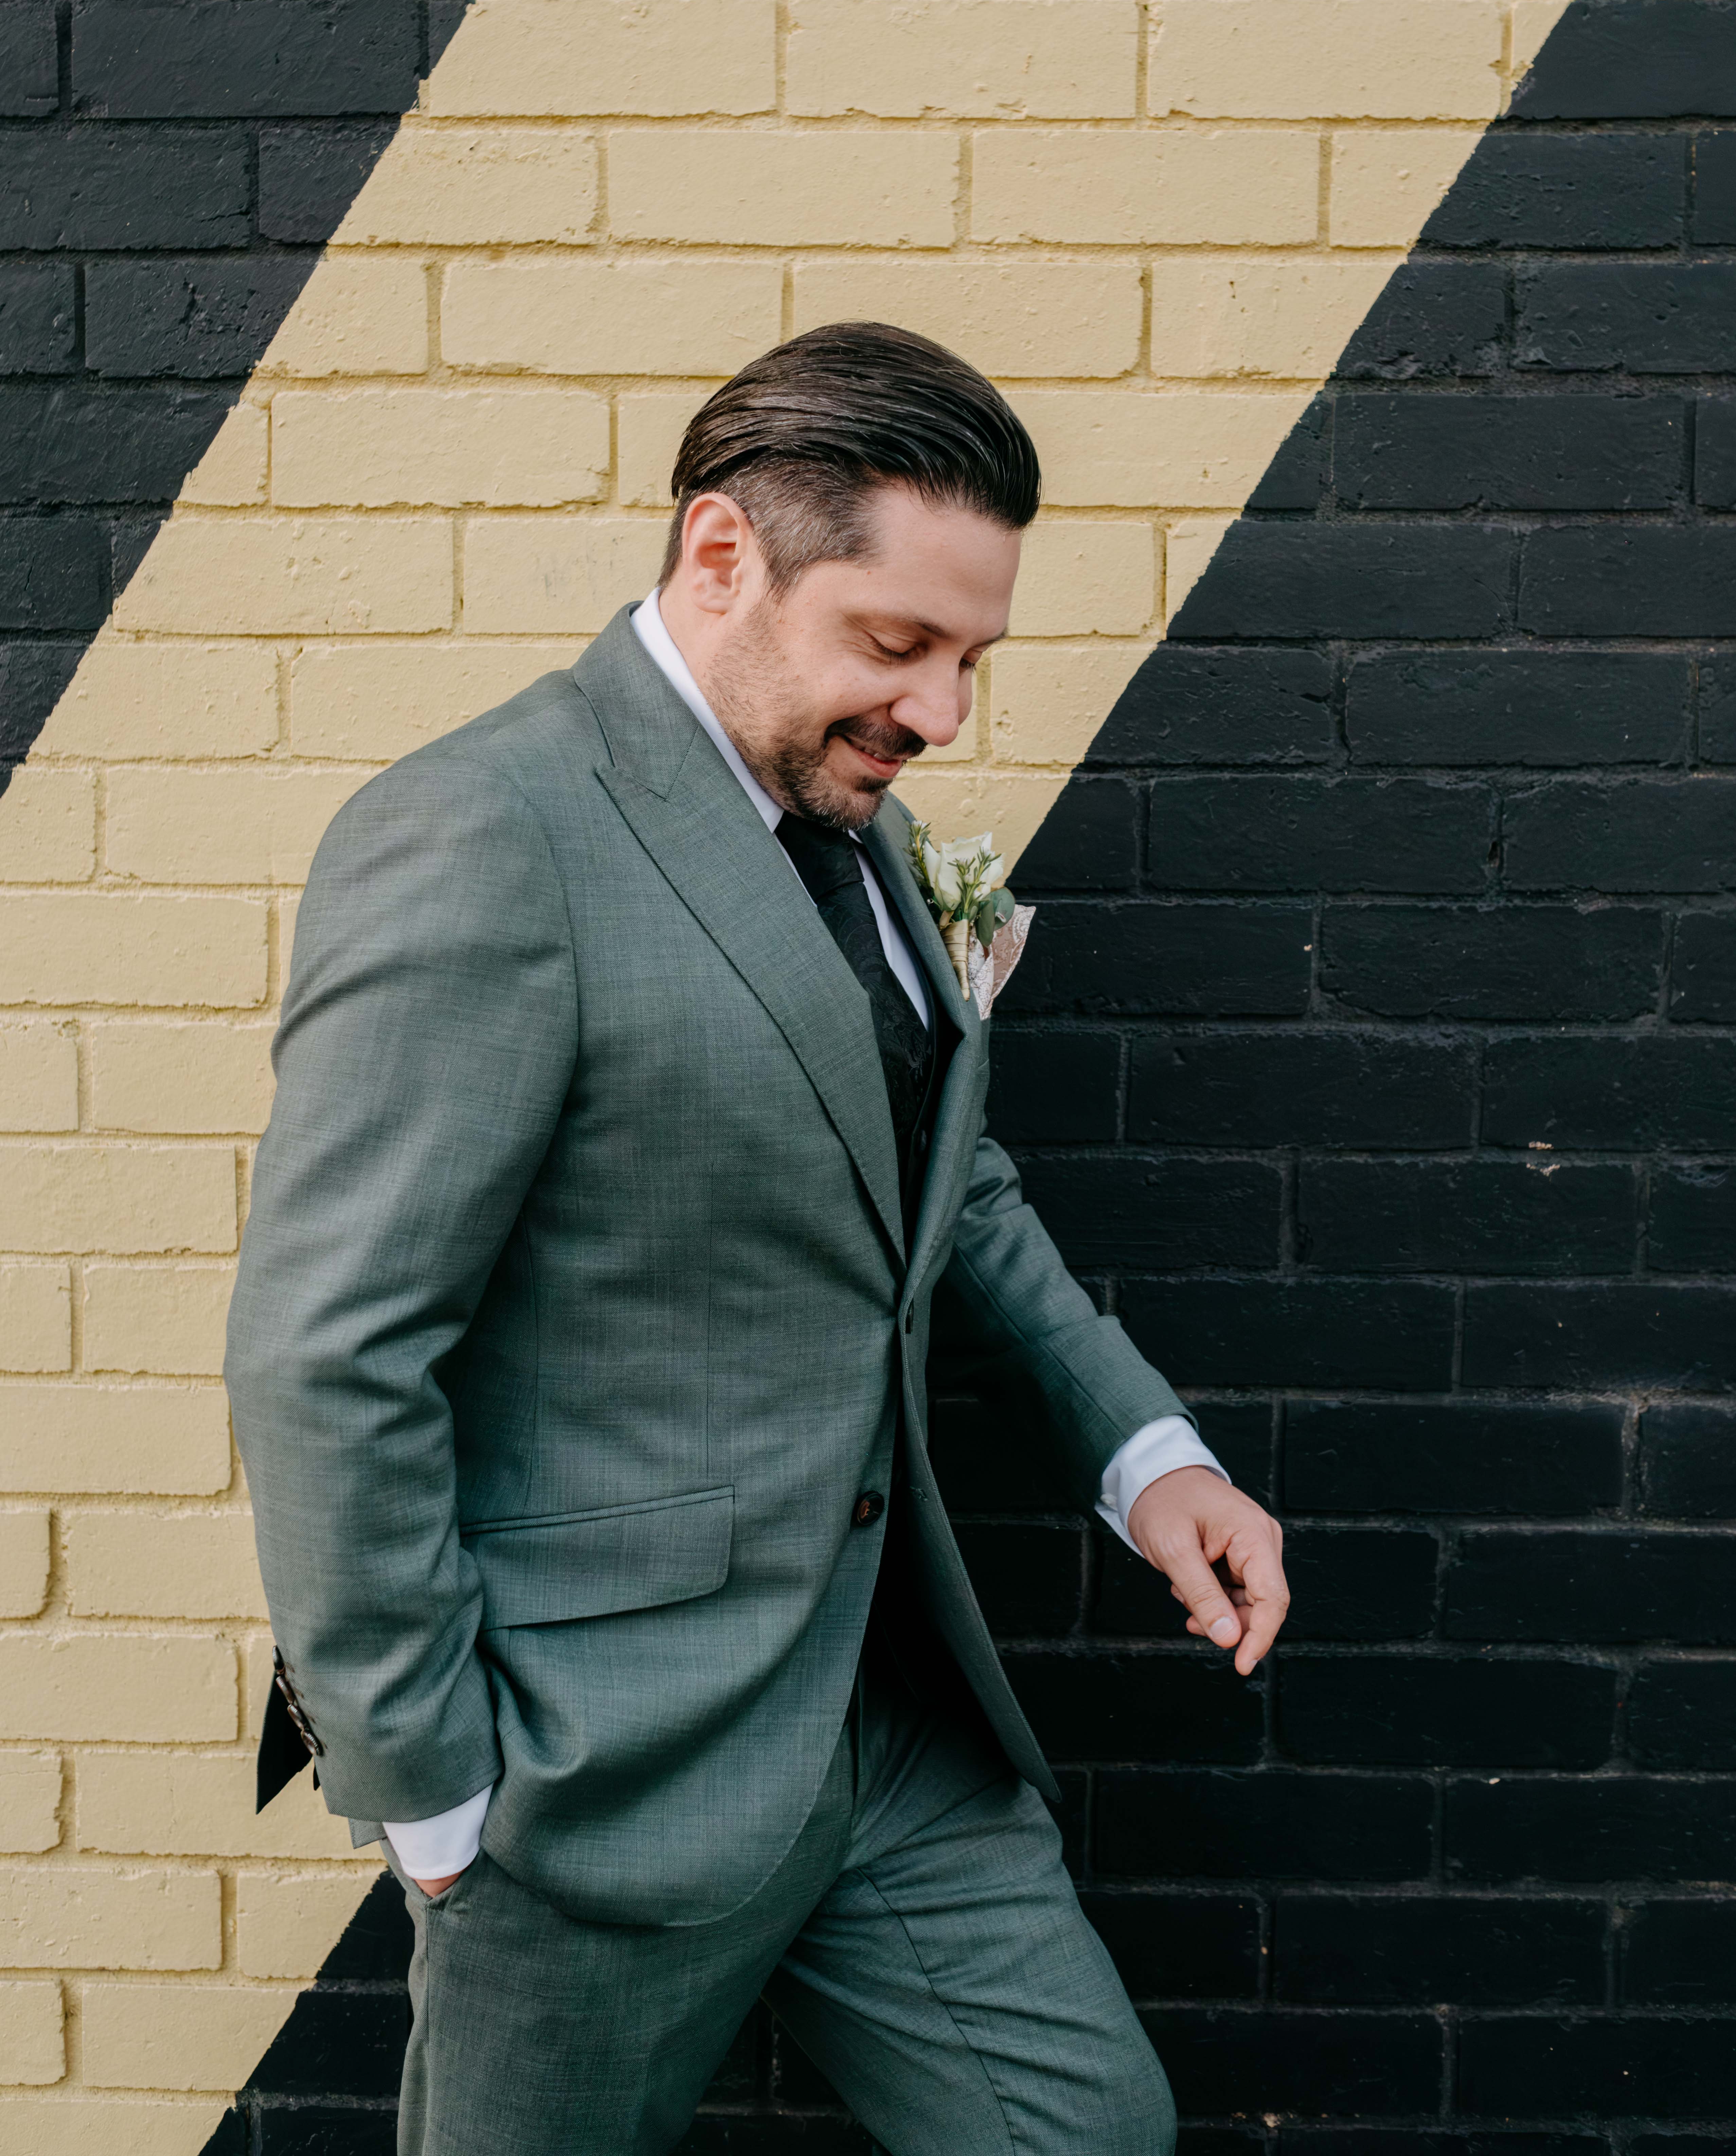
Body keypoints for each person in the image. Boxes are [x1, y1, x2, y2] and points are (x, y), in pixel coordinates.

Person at [226, 321, 1289, 2156]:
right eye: (898, 643)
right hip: (590, 1773)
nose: (942, 713)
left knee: (1089, 2132)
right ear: (723, 555)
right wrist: (438, 1804)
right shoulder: (483, 834)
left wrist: (1144, 1453)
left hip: (892, 1720)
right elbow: (329, 1350)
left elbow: (939, 1182)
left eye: (971, 659)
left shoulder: (854, 820)